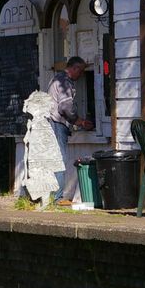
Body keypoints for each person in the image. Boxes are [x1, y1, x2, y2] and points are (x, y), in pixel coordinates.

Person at [47, 56, 94, 204]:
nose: (81, 75)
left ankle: (53, 196)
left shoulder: (56, 79)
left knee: (55, 159)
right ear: (73, 68)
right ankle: (57, 197)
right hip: (56, 123)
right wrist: (79, 121)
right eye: (80, 71)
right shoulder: (64, 83)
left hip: (53, 122)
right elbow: (66, 107)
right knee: (59, 159)